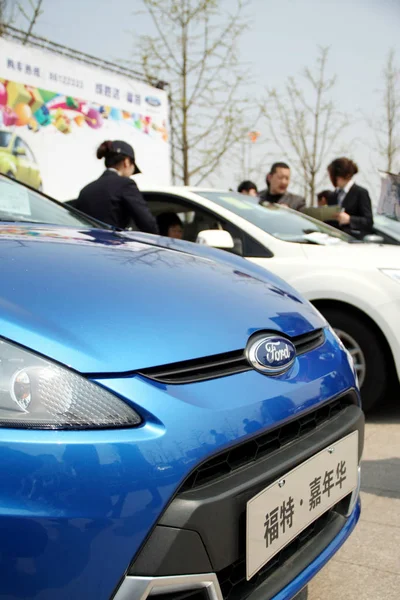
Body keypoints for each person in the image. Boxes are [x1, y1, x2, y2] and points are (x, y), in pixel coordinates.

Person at [75, 140, 159, 233]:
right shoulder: (126, 184)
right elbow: (147, 224)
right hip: (114, 245)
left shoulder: (86, 190)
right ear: (126, 162)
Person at [327, 157, 373, 238]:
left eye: (336, 177)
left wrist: (350, 219)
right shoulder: (332, 196)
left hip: (354, 240)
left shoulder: (360, 193)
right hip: (334, 240)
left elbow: (368, 221)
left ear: (345, 175)